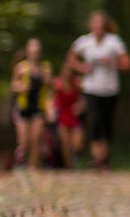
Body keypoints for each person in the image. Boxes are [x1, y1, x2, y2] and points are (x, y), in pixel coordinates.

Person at [69, 11, 130, 169]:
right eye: (95, 25)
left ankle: (104, 158)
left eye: (101, 26)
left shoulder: (114, 42)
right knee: (95, 121)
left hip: (110, 89)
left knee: (106, 123)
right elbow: (70, 59)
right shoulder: (84, 42)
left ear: (105, 27)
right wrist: (82, 67)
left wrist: (112, 63)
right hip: (91, 89)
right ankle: (97, 158)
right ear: (91, 26)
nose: (98, 29)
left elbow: (128, 64)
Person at [9, 39, 53, 170]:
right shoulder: (20, 67)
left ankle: (33, 166)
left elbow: (51, 88)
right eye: (33, 50)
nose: (35, 52)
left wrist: (50, 108)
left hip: (39, 107)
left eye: (37, 50)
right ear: (28, 51)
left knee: (37, 138)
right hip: (23, 107)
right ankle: (20, 162)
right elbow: (13, 85)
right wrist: (21, 87)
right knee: (24, 142)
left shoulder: (45, 68)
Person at [53, 62, 85, 169]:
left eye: (69, 72)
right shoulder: (57, 84)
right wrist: (51, 110)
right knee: (65, 145)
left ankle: (75, 158)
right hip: (62, 116)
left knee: (77, 145)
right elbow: (51, 98)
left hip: (74, 116)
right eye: (65, 72)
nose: (67, 74)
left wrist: (81, 106)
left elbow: (84, 99)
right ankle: (69, 167)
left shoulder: (77, 83)